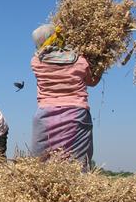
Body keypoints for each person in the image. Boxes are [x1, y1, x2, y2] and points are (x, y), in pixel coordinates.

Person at [30, 24, 101, 169]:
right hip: (76, 116)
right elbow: (92, 82)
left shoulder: (36, 62)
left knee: (41, 168)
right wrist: (100, 66)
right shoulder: (81, 61)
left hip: (45, 117)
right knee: (77, 166)